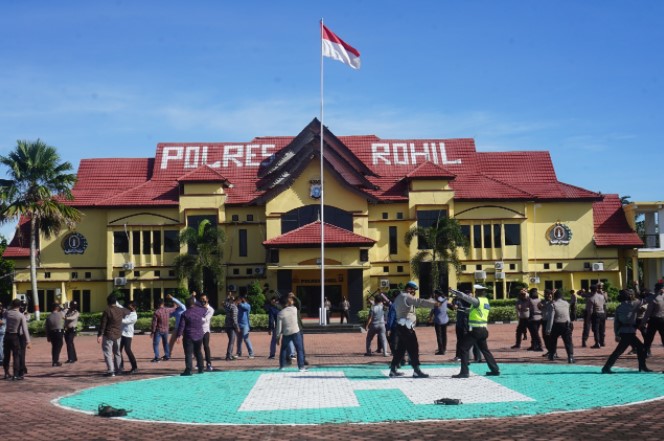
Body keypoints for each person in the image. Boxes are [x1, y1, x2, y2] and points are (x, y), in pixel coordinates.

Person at [388, 281, 437, 378]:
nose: (413, 293)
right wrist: (434, 304)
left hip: (401, 326)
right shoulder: (406, 296)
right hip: (406, 327)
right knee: (413, 348)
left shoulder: (399, 297)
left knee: (401, 349)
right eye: (413, 291)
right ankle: (416, 370)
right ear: (409, 289)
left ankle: (393, 369)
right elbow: (419, 302)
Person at [450, 285, 500, 379]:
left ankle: (464, 372)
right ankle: (495, 370)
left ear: (477, 293)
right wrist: (462, 309)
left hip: (476, 330)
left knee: (463, 348)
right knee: (485, 350)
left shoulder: (477, 301)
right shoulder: (485, 301)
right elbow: (474, 311)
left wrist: (453, 291)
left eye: (476, 291)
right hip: (484, 330)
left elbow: (465, 297)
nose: (474, 293)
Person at [602, 290, 652, 374]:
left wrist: (616, 334)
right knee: (621, 351)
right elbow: (649, 300)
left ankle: (642, 367)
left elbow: (616, 323)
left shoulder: (619, 307)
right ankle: (606, 368)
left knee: (637, 348)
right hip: (629, 332)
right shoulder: (634, 304)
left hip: (623, 331)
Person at [97, 293, 130, 377]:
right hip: (118, 334)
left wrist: (100, 334)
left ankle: (111, 371)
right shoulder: (120, 310)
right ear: (116, 301)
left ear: (108, 302)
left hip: (108, 334)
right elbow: (128, 311)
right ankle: (119, 369)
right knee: (117, 352)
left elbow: (103, 324)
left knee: (108, 353)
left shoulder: (107, 310)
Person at [176, 296, 208, 376]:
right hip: (200, 335)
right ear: (194, 304)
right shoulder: (200, 311)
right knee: (198, 352)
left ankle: (189, 370)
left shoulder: (185, 314)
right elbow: (205, 309)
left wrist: (179, 335)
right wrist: (196, 300)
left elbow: (181, 326)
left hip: (189, 336)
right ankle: (201, 368)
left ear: (186, 305)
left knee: (188, 353)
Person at [2, 299, 31, 380]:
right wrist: (28, 341)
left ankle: (6, 373)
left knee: (6, 355)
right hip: (15, 336)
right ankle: (15, 374)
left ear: (12, 304)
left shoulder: (7, 313)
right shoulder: (20, 315)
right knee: (16, 356)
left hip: (7, 335)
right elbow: (25, 329)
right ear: (19, 305)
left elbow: (3, 318)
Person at [276, 293, 306, 371]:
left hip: (286, 333)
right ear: (288, 302)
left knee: (283, 349)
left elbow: (278, 328)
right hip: (296, 332)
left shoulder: (280, 313)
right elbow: (298, 304)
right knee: (299, 350)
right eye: (291, 300)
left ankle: (282, 366)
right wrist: (294, 297)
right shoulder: (294, 309)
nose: (292, 301)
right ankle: (301, 367)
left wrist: (277, 337)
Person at [545, 290, 575, 363]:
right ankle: (570, 357)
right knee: (568, 342)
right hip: (566, 324)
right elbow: (568, 314)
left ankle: (552, 355)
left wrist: (548, 330)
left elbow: (551, 318)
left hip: (556, 324)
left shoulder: (553, 304)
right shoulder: (566, 303)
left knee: (553, 341)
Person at [452, 290, 482, 363]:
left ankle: (477, 357)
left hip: (472, 324)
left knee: (474, 340)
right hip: (461, 324)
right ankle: (459, 356)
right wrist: (454, 302)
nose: (469, 297)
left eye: (470, 295)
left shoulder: (474, 302)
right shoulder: (459, 300)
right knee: (460, 340)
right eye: (468, 295)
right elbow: (454, 307)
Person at [150, 297, 178, 362]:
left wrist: (152, 332)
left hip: (158, 330)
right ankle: (167, 355)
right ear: (163, 303)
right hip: (166, 330)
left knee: (156, 344)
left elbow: (154, 324)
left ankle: (157, 357)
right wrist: (175, 304)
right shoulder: (167, 310)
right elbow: (174, 309)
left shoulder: (156, 312)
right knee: (165, 343)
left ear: (157, 304)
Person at [642, 284, 664, 357]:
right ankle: (646, 352)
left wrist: (643, 322)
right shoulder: (660, 297)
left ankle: (646, 352)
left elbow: (648, 312)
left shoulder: (653, 298)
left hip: (654, 320)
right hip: (662, 320)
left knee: (649, 337)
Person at [119, 301, 138, 375]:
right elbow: (120, 307)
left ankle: (134, 367)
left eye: (130, 307)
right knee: (118, 350)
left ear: (134, 307)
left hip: (128, 334)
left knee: (127, 349)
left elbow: (126, 321)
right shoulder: (127, 311)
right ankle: (120, 366)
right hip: (121, 333)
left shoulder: (134, 316)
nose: (128, 308)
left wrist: (117, 319)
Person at [428, 290, 449, 355]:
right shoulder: (444, 300)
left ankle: (441, 350)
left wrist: (430, 317)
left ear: (437, 294)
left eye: (434, 294)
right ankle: (444, 349)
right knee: (444, 335)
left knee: (439, 336)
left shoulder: (436, 301)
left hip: (438, 320)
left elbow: (433, 310)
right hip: (445, 320)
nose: (434, 295)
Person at [198, 293, 215, 371]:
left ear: (207, 300)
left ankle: (208, 363)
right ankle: (199, 363)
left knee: (206, 346)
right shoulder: (198, 308)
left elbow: (205, 320)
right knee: (197, 347)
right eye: (201, 300)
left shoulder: (210, 309)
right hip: (197, 330)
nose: (203, 301)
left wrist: (197, 317)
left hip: (205, 330)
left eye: (204, 299)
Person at [539, 289, 556, 359]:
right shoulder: (542, 301)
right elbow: (540, 307)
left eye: (548, 294)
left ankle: (553, 352)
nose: (547, 295)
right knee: (545, 337)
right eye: (545, 294)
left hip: (551, 322)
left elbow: (554, 301)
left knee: (551, 338)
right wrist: (540, 306)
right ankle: (550, 351)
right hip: (544, 321)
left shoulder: (553, 302)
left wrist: (553, 295)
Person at [224, 295, 239, 360]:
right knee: (232, 341)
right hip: (231, 326)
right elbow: (234, 318)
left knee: (231, 340)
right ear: (237, 300)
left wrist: (227, 298)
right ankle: (229, 355)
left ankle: (229, 354)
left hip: (227, 325)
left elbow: (224, 303)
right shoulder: (234, 307)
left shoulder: (228, 306)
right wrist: (237, 327)